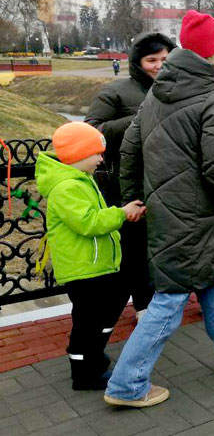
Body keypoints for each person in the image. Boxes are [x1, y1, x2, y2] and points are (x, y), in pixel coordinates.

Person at [104, 11, 214, 408]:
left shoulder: (158, 90)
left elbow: (129, 149)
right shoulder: (212, 95)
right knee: (170, 297)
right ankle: (126, 385)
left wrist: (135, 199)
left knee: (213, 277)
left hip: (167, 209)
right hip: (194, 214)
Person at [35, 122, 145, 391]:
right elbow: (88, 222)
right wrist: (121, 213)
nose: (100, 159)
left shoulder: (80, 180)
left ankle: (94, 357)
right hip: (83, 270)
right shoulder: (66, 188)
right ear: (77, 154)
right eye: (96, 153)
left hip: (94, 266)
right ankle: (84, 375)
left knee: (99, 317)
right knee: (87, 323)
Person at [85, 32, 174, 321]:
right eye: (152, 60)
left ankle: (167, 297)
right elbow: (92, 132)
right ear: (137, 62)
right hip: (126, 182)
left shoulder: (177, 87)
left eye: (165, 58)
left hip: (166, 180)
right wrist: (140, 117)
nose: (160, 65)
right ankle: (142, 306)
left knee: (162, 244)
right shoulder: (117, 91)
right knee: (135, 248)